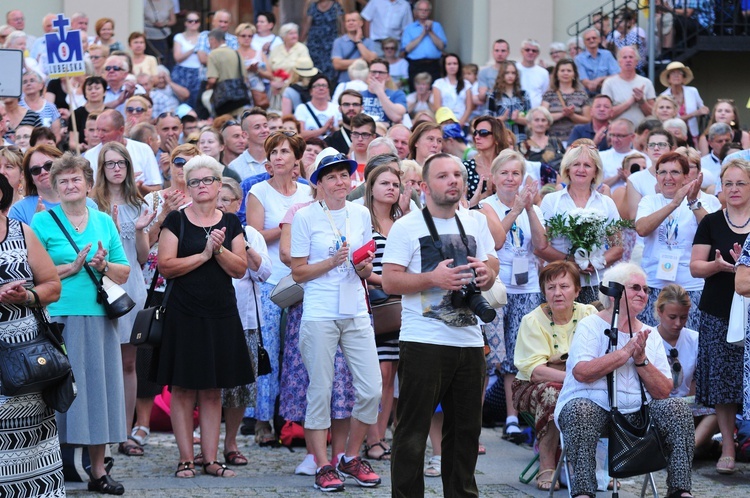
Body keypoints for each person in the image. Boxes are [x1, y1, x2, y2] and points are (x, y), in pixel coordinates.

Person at [383, 152, 498, 497]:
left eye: (458, 176)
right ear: (423, 186)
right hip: (423, 340)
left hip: (469, 340)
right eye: (443, 176)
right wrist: (431, 278)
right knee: (412, 433)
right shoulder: (407, 226)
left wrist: (486, 273)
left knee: (466, 433)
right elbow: (389, 281)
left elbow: (492, 267)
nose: (453, 182)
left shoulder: (475, 222)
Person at [31, 152, 131, 495]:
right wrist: (69, 269)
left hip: (99, 317)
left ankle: (98, 471)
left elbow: (124, 270)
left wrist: (102, 267)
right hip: (56, 317)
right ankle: (50, 469)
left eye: (76, 179)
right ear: (55, 188)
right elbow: (32, 274)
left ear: (88, 184)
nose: (71, 185)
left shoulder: (103, 221)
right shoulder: (42, 223)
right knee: (55, 393)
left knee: (98, 394)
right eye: (63, 181)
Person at [555, 262, 695, 498]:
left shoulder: (649, 334)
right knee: (580, 410)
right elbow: (581, 372)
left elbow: (664, 391)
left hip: (639, 412)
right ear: (615, 292)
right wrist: (623, 353)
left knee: (678, 408)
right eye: (635, 288)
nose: (643, 294)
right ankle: (583, 492)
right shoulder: (591, 325)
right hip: (593, 409)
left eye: (645, 289)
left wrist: (641, 360)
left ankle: (680, 491)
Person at [290, 148, 382, 491]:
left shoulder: (360, 214)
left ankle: (349, 457)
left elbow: (368, 264)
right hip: (320, 312)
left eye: (344, 174)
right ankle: (322, 464)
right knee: (321, 391)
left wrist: (363, 268)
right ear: (319, 184)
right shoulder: (305, 217)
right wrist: (331, 262)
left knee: (371, 389)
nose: (340, 181)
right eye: (331, 176)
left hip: (356, 309)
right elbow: (298, 272)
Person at [156, 155, 253, 478]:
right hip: (183, 313)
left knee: (213, 389)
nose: (200, 187)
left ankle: (211, 459)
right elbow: (166, 266)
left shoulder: (232, 222)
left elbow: (240, 269)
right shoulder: (176, 221)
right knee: (183, 388)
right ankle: (185, 458)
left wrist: (220, 250)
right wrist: (203, 255)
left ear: (217, 184)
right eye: (193, 181)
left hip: (221, 312)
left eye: (206, 181)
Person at [246, 132, 313, 445]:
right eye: (273, 152)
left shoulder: (310, 191)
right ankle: (262, 421)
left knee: (301, 352)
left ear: (296, 158)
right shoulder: (258, 191)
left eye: (284, 151)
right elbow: (255, 236)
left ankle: (295, 416)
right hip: (270, 281)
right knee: (268, 351)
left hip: (303, 279)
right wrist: (289, 225)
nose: (277, 156)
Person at [0, 173, 63, 497]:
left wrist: (25, 296)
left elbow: (53, 285)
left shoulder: (21, 232)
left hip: (28, 355)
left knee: (33, 441)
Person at [90, 142, 154, 457]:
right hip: (98, 291)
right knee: (101, 364)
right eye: (110, 163)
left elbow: (142, 257)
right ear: (101, 168)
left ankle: (126, 433)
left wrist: (141, 230)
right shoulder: (91, 205)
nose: (117, 168)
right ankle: (101, 430)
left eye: (122, 163)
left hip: (131, 289)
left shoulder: (137, 203)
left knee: (129, 363)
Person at [483, 150, 550, 445]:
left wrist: (531, 209)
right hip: (497, 287)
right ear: (494, 178)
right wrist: (515, 210)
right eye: (505, 173)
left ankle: (517, 418)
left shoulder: (533, 206)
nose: (511, 179)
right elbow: (496, 241)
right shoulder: (486, 206)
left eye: (516, 174)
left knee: (520, 355)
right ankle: (493, 417)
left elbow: (541, 245)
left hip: (528, 287)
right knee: (494, 357)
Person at [513, 261, 598, 491]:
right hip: (532, 386)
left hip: (580, 381)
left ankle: (589, 467)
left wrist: (568, 370)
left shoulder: (589, 314)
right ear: (544, 292)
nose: (557, 293)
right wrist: (577, 374)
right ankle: (547, 463)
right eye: (551, 287)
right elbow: (536, 370)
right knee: (554, 393)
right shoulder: (532, 320)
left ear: (577, 291)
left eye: (564, 286)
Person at [690, 158, 750, 475]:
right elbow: (695, 266)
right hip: (718, 310)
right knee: (724, 383)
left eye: (741, 183)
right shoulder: (711, 222)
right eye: (728, 184)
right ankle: (727, 446)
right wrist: (718, 266)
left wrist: (745, 264)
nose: (734, 189)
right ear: (721, 189)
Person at [218, 176, 271, 468]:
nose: (221, 203)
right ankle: (205, 443)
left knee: (239, 388)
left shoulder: (250, 232)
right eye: (218, 198)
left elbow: (265, 273)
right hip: (212, 320)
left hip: (245, 320)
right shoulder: (200, 229)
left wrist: (247, 247)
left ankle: (231, 443)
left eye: (227, 199)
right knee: (210, 386)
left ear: (238, 203)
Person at [635, 151, 718, 331]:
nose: (668, 178)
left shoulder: (704, 201)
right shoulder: (649, 201)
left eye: (674, 172)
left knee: (692, 344)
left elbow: (713, 232)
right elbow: (642, 228)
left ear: (686, 176)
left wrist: (693, 202)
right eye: (662, 172)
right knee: (652, 346)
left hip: (691, 286)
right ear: (656, 176)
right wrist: (673, 203)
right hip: (655, 285)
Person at [361, 158, 407, 462]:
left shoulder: (405, 222)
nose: (391, 188)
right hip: (372, 307)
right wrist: (388, 281)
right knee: (375, 375)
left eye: (395, 184)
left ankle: (381, 437)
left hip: (401, 307)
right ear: (371, 188)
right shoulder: (362, 220)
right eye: (385, 184)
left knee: (390, 375)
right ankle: (371, 438)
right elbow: (360, 266)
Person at [540, 143, 623, 303]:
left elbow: (618, 247)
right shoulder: (551, 201)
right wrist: (572, 262)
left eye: (587, 165)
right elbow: (541, 246)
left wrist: (596, 262)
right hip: (560, 283)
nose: (581, 170)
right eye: (576, 164)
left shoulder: (606, 203)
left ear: (595, 171)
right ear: (567, 169)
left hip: (596, 281)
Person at [654, 284, 719, 456]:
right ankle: (692, 447)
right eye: (672, 317)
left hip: (686, 402)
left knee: (721, 408)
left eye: (683, 317)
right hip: (658, 404)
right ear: (660, 312)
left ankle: (685, 450)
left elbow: (697, 382)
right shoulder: (649, 339)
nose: (678, 323)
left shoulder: (694, 339)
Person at [10, 144, 98, 225]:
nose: (43, 172)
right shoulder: (19, 210)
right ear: (31, 179)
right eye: (36, 170)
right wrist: (37, 224)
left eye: (49, 165)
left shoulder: (88, 204)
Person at [624, 129, 676, 220]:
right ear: (647, 150)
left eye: (662, 145)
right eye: (651, 145)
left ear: (672, 149)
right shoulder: (635, 179)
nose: (656, 148)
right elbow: (634, 218)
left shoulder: (680, 176)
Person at [601, 46, 655, 125]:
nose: (628, 60)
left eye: (631, 57)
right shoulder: (609, 83)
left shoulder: (646, 82)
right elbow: (606, 114)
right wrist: (630, 102)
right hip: (617, 133)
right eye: (624, 57)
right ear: (619, 62)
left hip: (641, 132)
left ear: (636, 62)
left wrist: (641, 102)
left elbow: (653, 114)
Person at [541, 58, 590, 144]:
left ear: (574, 74)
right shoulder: (549, 95)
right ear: (557, 74)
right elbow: (543, 117)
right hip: (553, 141)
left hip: (576, 141)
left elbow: (588, 119)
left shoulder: (582, 95)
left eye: (569, 70)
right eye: (562, 70)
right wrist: (562, 114)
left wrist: (572, 115)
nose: (565, 73)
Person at [464, 115, 511, 205]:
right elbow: (463, 207)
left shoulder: (508, 165)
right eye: (475, 133)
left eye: (483, 132)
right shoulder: (466, 167)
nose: (477, 137)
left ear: (497, 137)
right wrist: (487, 193)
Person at [401, 0, 447, 91]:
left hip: (433, 64)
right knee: (415, 92)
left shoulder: (437, 26)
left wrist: (430, 31)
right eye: (421, 10)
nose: (423, 12)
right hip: (415, 65)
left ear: (429, 12)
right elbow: (407, 49)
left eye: (426, 10)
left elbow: (441, 46)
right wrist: (423, 33)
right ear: (416, 11)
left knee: (434, 91)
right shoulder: (409, 28)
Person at [659, 62, 707, 139]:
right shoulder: (663, 96)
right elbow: (669, 120)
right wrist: (694, 114)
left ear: (684, 78)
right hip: (672, 135)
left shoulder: (693, 91)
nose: (676, 75)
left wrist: (704, 110)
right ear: (668, 79)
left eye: (679, 73)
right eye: (673, 73)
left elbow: (703, 108)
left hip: (692, 133)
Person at [300, 0, 345, 83]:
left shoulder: (336, 6)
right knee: (314, 71)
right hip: (315, 45)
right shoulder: (312, 6)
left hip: (330, 45)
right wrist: (300, 42)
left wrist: (344, 40)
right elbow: (306, 26)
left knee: (330, 72)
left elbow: (342, 26)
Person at [488, 60, 530, 144]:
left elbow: (530, 120)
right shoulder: (494, 95)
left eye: (513, 73)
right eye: (507, 73)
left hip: (520, 138)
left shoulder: (524, 95)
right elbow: (488, 121)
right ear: (501, 75)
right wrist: (502, 118)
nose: (510, 76)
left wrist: (517, 119)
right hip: (501, 138)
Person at [574, 28, 619, 96]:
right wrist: (598, 84)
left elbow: (617, 75)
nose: (591, 40)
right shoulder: (579, 59)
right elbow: (584, 81)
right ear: (584, 42)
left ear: (599, 39)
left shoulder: (607, 55)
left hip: (608, 95)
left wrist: (599, 79)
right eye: (588, 39)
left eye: (594, 38)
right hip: (588, 96)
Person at [519, 107, 566, 172]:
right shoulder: (523, 145)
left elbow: (565, 162)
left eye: (543, 120)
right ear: (529, 123)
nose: (540, 123)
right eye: (536, 120)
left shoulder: (555, 141)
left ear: (548, 124)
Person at [172, 12, 202, 109]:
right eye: (190, 21)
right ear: (185, 23)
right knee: (181, 101)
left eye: (196, 21)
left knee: (197, 101)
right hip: (181, 72)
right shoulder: (179, 37)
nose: (193, 23)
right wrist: (193, 49)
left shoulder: (204, 37)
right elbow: (178, 58)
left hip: (199, 72)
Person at [433, 53, 473, 128]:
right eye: (449, 64)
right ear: (444, 66)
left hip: (463, 124)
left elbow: (469, 107)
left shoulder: (466, 84)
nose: (452, 66)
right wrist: (448, 123)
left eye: (455, 63)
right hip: (444, 124)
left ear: (459, 65)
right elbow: (437, 106)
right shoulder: (438, 83)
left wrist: (460, 123)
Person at [294, 74, 339, 140]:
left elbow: (341, 133)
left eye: (324, 85)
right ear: (310, 91)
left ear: (329, 90)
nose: (321, 88)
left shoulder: (336, 108)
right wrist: (323, 129)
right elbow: (300, 134)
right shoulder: (302, 108)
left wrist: (333, 128)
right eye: (317, 86)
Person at [73, 76, 107, 146]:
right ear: (85, 93)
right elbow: (72, 142)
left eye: (97, 88)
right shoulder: (77, 114)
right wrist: (81, 147)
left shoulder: (110, 113)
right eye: (89, 89)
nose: (93, 91)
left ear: (104, 92)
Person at [516, 39, 550, 109]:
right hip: (516, 113)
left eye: (534, 51)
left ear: (538, 53)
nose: (530, 52)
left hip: (536, 114)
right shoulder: (514, 69)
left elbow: (545, 95)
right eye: (527, 50)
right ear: (521, 51)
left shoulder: (543, 72)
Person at [143, 0, 175, 68]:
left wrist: (164, 24)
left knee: (165, 60)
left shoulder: (168, 2)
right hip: (149, 36)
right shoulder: (144, 2)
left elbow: (173, 20)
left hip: (164, 35)